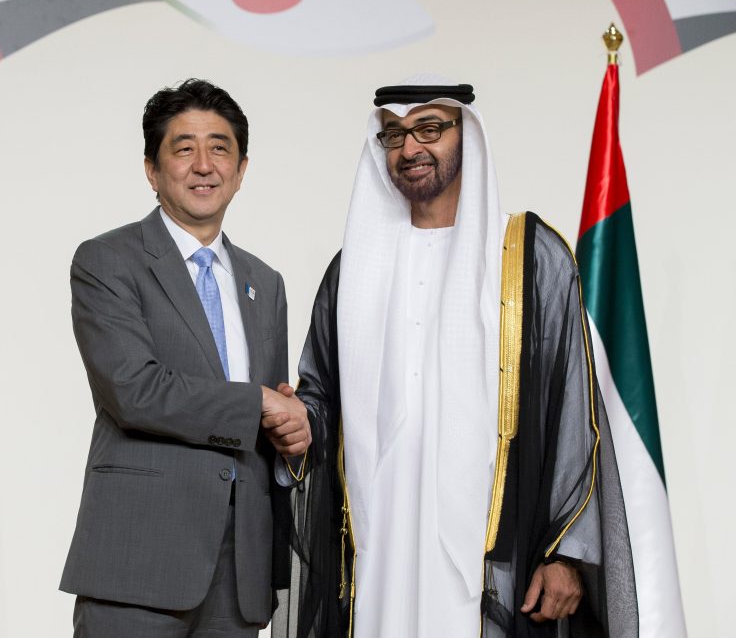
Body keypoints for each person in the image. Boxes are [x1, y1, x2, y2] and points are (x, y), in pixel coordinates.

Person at [273, 78, 638, 637]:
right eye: (394, 135)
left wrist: (567, 553)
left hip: (489, 555)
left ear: (467, 136)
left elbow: (572, 409)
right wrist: (299, 421)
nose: (409, 149)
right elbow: (321, 397)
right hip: (382, 547)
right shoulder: (354, 271)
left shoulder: (528, 259)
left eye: (429, 129)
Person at [61, 78, 311, 637]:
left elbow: (263, 413)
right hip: (139, 562)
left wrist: (290, 425)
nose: (204, 165)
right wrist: (260, 405)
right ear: (152, 170)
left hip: (240, 570)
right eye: (184, 148)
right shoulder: (108, 261)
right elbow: (134, 390)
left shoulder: (264, 283)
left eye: (220, 148)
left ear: (242, 169)